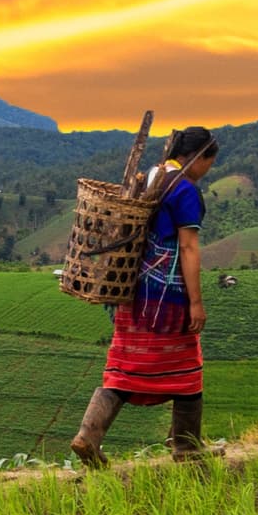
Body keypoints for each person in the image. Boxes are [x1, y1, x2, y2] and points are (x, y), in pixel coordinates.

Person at [70, 127, 217, 464]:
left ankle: (88, 435)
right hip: (167, 295)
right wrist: (195, 302)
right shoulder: (184, 190)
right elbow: (189, 246)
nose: (208, 170)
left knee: (125, 363)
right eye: (209, 162)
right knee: (187, 365)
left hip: (132, 291)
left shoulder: (151, 175)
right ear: (201, 156)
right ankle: (187, 446)